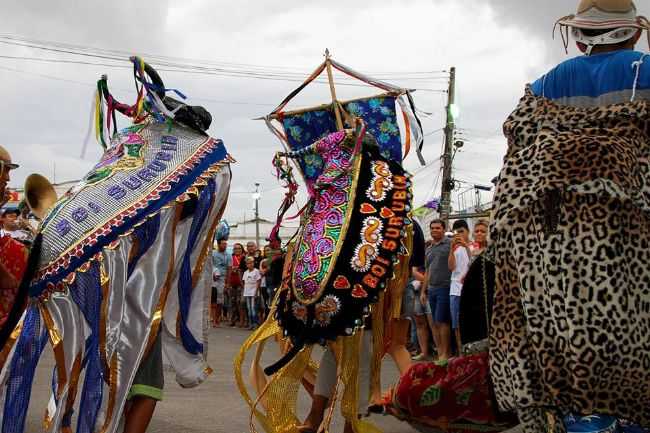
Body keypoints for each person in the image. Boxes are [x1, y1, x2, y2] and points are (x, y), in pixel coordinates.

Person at [491, 1, 650, 431]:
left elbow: (514, 177)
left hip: (559, 261)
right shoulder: (646, 70)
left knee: (574, 364)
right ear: (634, 33)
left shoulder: (542, 89)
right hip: (639, 248)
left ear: (579, 38)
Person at [422, 219, 452, 361]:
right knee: (435, 322)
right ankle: (440, 352)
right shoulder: (429, 249)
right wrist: (423, 291)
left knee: (443, 321)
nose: (435, 230)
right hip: (432, 289)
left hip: (445, 288)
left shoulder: (450, 245)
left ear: (444, 229)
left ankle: (446, 353)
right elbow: (427, 271)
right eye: (432, 228)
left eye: (438, 228)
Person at [448, 220, 471, 355]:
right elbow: (451, 267)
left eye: (462, 231)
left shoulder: (474, 245)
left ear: (468, 231)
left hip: (470, 290)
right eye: (456, 232)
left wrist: (466, 246)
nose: (459, 235)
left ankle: (471, 353)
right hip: (455, 290)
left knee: (469, 323)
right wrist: (452, 249)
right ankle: (461, 353)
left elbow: (473, 263)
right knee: (456, 325)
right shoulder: (454, 248)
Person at [211, 238, 232, 327]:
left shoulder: (228, 255)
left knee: (220, 301)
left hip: (222, 279)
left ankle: (218, 319)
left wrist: (227, 283)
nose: (225, 245)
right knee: (212, 300)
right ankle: (214, 319)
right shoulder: (213, 253)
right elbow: (209, 265)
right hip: (212, 279)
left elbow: (229, 269)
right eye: (223, 244)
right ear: (218, 244)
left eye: (225, 244)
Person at [229, 243, 247, 328]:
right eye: (235, 248)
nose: (237, 250)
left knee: (240, 302)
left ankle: (242, 320)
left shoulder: (244, 258)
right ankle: (233, 320)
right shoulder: (231, 258)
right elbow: (227, 269)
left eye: (239, 248)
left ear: (242, 249)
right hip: (232, 283)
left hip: (241, 283)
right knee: (232, 302)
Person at [242, 256, 261, 330]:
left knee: (253, 308)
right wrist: (245, 289)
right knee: (249, 308)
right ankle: (250, 323)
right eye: (248, 263)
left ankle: (255, 323)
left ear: (253, 263)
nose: (249, 265)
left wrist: (256, 292)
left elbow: (258, 281)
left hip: (253, 292)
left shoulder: (256, 271)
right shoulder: (245, 272)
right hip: (247, 292)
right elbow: (244, 281)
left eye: (251, 263)